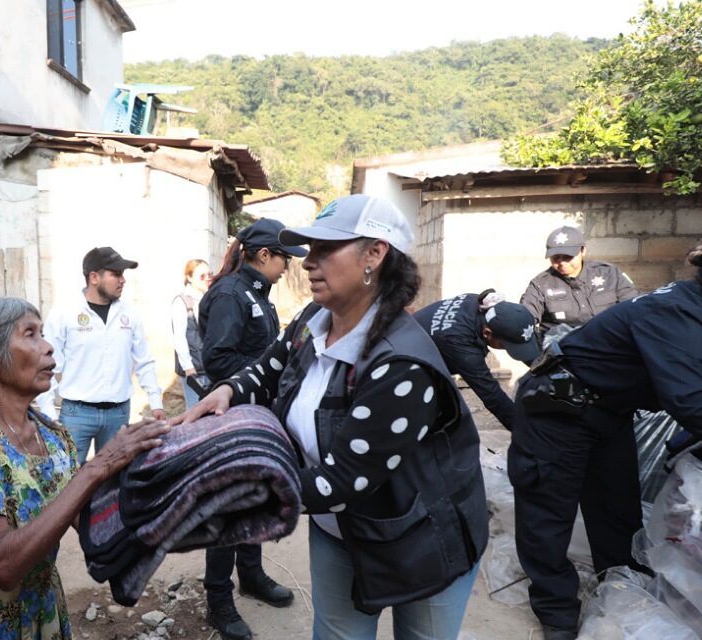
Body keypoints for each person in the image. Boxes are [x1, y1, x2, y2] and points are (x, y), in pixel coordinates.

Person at [179, 194, 487, 640]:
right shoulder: (315, 319)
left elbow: (342, 481)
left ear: (374, 254)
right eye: (310, 249)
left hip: (424, 537)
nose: (308, 262)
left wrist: (224, 490)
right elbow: (269, 367)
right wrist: (227, 391)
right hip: (339, 528)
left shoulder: (401, 364)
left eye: (326, 248)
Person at [509, 240, 702, 640]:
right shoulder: (678, 314)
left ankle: (620, 589)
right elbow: (693, 405)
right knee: (548, 516)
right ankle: (557, 611)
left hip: (607, 411)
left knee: (616, 510)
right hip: (557, 410)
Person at [0, 297, 170, 639]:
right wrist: (97, 468)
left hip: (38, 614)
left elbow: (91, 524)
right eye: (30, 334)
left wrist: (177, 485)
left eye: (43, 333)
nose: (48, 347)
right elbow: (3, 566)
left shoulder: (52, 436)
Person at [195, 217, 306, 640]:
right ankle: (218, 599)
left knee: (254, 501)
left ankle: (252, 575)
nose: (287, 266)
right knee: (228, 509)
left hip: (256, 415)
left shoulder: (257, 293)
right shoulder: (230, 294)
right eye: (284, 259)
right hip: (233, 416)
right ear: (264, 255)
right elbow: (218, 359)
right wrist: (270, 373)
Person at [37, 247, 166, 464]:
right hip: (77, 414)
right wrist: (48, 413)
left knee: (113, 477)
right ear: (94, 277)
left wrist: (156, 402)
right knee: (68, 475)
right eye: (116, 274)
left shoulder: (130, 315)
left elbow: (144, 361)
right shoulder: (64, 314)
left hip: (118, 413)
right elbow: (46, 366)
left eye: (123, 274)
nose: (123, 280)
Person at [413, 290, 541, 430]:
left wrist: (545, 370)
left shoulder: (483, 305)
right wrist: (528, 433)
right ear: (487, 333)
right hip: (408, 369)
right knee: (442, 420)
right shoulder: (459, 343)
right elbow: (492, 396)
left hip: (421, 346)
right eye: (508, 346)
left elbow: (528, 349)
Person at [520, 225, 638, 337]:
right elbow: (526, 317)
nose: (562, 262)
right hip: (563, 347)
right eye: (556, 258)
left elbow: (633, 308)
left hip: (609, 342)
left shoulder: (609, 274)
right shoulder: (540, 284)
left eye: (568, 257)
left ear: (583, 251)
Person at [171, 258, 211, 406]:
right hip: (194, 367)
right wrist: (188, 367)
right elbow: (179, 338)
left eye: (209, 274)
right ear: (189, 277)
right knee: (195, 409)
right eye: (202, 276)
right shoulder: (181, 302)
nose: (207, 278)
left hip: (210, 366)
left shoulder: (209, 298)